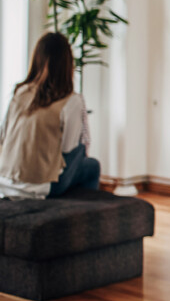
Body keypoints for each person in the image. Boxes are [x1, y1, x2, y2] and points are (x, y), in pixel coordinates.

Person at [0, 32, 101, 200]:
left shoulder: (19, 92)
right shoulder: (72, 100)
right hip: (41, 187)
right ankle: (81, 215)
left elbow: (3, 135)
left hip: (6, 180)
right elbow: (68, 148)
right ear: (67, 64)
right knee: (91, 164)